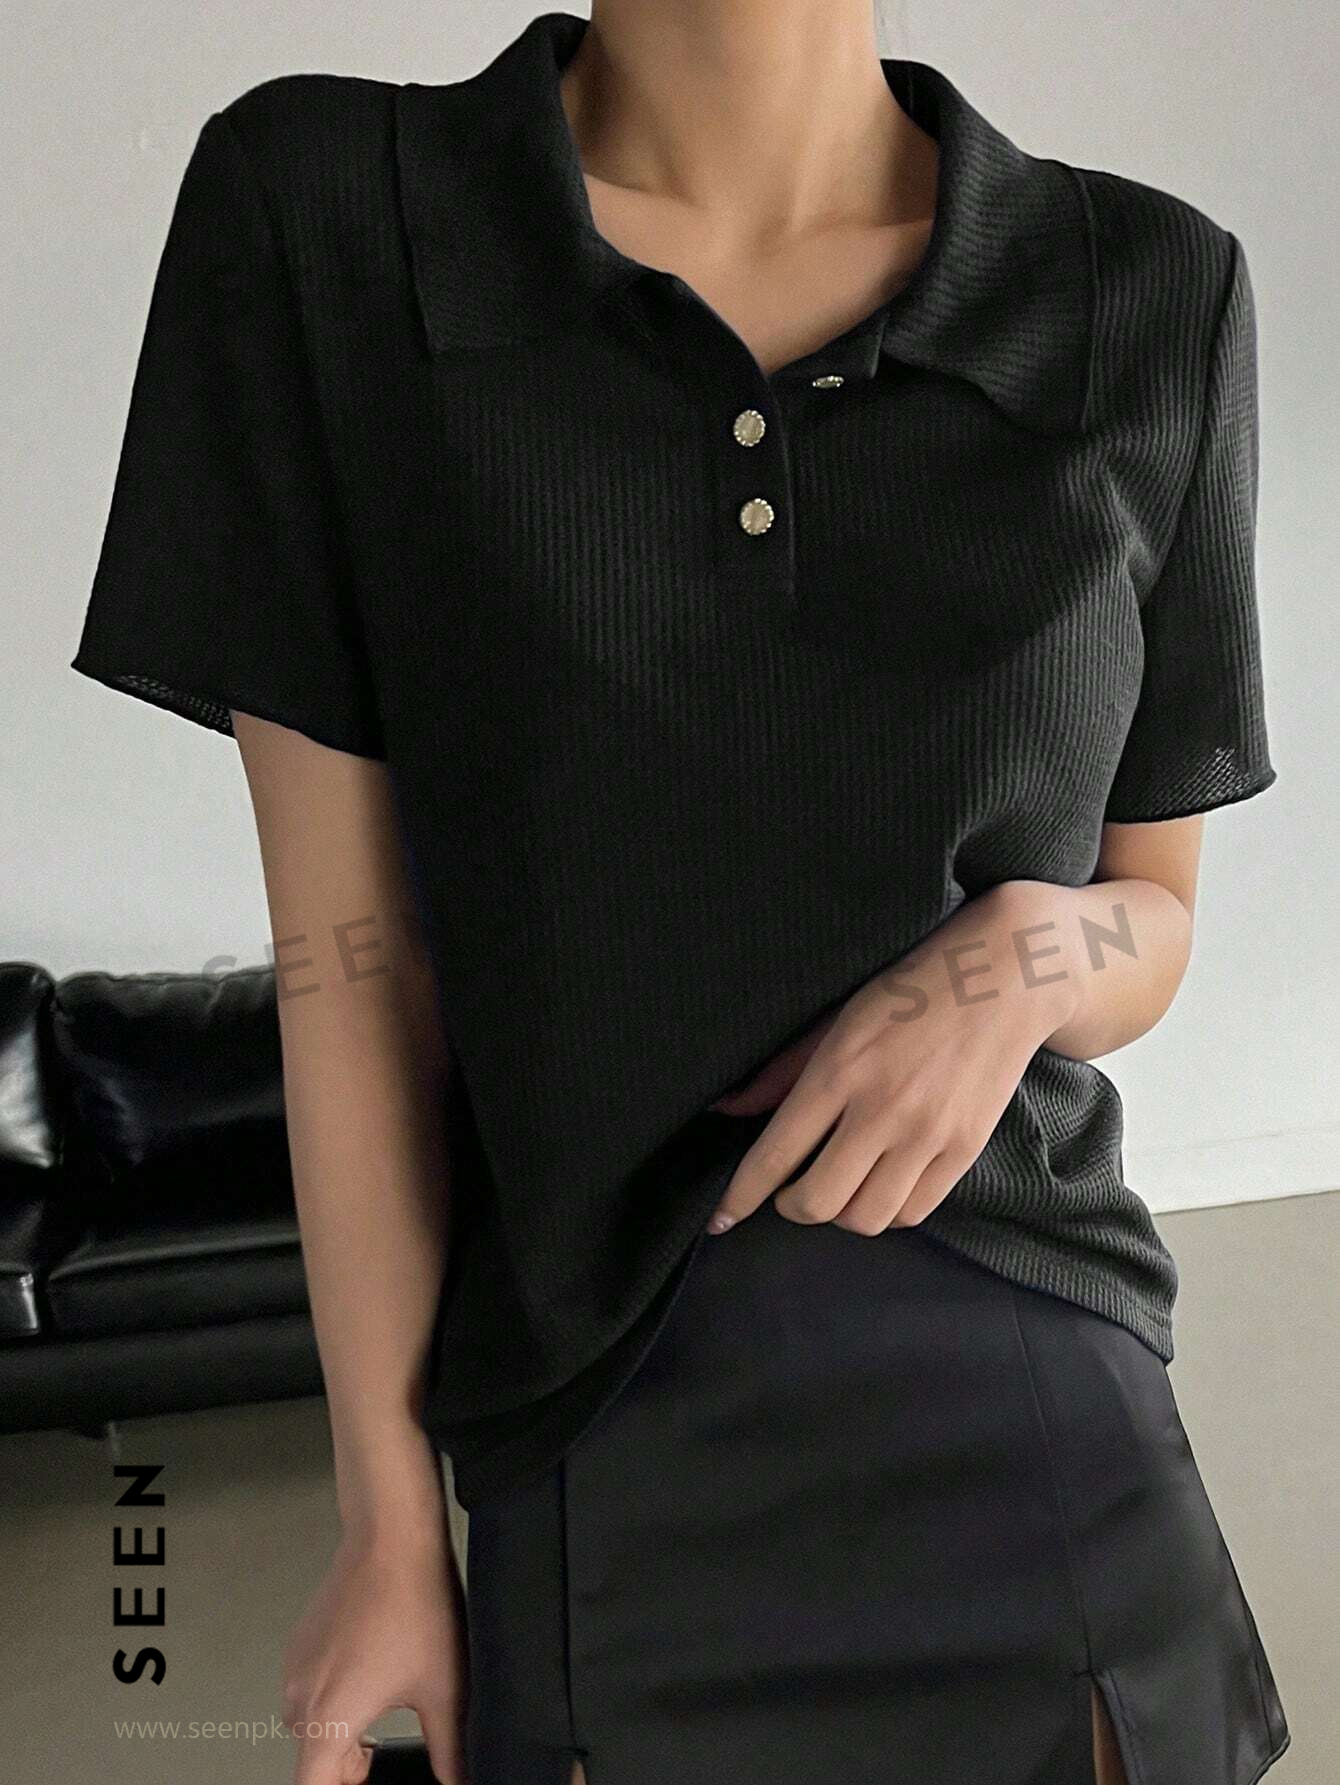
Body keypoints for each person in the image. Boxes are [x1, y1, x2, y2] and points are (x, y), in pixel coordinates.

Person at [69, 5, 1293, 1783]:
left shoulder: (1150, 292)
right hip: (595, 1424)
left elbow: (1152, 915)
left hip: (1039, 1421)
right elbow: (352, 963)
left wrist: (1027, 955)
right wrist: (387, 1521)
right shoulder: (333, 215)